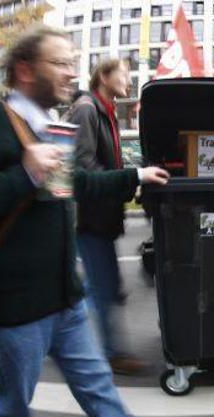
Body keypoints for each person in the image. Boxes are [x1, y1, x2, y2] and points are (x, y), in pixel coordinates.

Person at [0, 27, 174, 417]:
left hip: (66, 300)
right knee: (11, 413)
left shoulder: (49, 123)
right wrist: (24, 173)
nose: (70, 72)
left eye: (71, 63)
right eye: (60, 63)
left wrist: (135, 175)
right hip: (17, 312)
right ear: (25, 70)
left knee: (99, 390)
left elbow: (71, 184)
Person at [66, 58, 146, 375]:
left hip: (99, 216)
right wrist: (126, 180)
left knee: (95, 289)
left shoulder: (105, 110)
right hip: (89, 217)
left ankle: (53, 333)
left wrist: (127, 186)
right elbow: (83, 166)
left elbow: (106, 164)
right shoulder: (87, 109)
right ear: (103, 76)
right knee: (106, 289)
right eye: (123, 74)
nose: (128, 79)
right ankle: (114, 354)